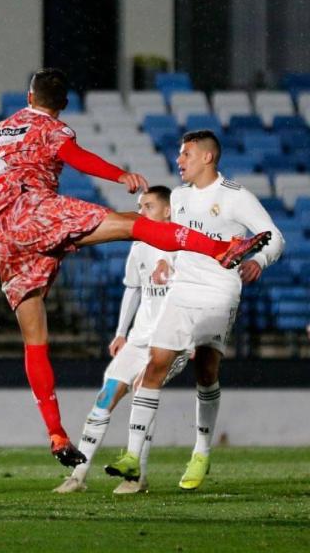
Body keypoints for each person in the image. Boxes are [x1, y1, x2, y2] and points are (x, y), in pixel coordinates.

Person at [0, 68, 272, 467]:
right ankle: (220, 248)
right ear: (63, 105)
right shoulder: (53, 130)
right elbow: (75, 158)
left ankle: (56, 434)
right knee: (133, 225)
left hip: (0, 238)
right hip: (36, 212)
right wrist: (119, 174)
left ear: (28, 96)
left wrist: (6, 217)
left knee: (34, 339)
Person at [106, 130, 284, 489]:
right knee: (155, 364)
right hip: (182, 291)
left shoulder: (236, 197)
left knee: (205, 370)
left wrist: (259, 261)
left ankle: (201, 452)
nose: (178, 160)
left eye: (185, 154)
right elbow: (170, 236)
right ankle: (131, 455)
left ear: (207, 157)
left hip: (220, 291)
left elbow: (274, 235)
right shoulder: (180, 197)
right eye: (179, 154)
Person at [53, 186, 187, 494]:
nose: (141, 213)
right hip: (139, 339)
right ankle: (78, 474)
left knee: (143, 391)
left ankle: (135, 475)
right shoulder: (139, 244)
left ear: (167, 211)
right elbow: (133, 289)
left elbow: (195, 294)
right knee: (105, 396)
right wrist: (121, 332)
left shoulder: (184, 246)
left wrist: (191, 339)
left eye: (148, 206)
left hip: (171, 340)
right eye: (139, 207)